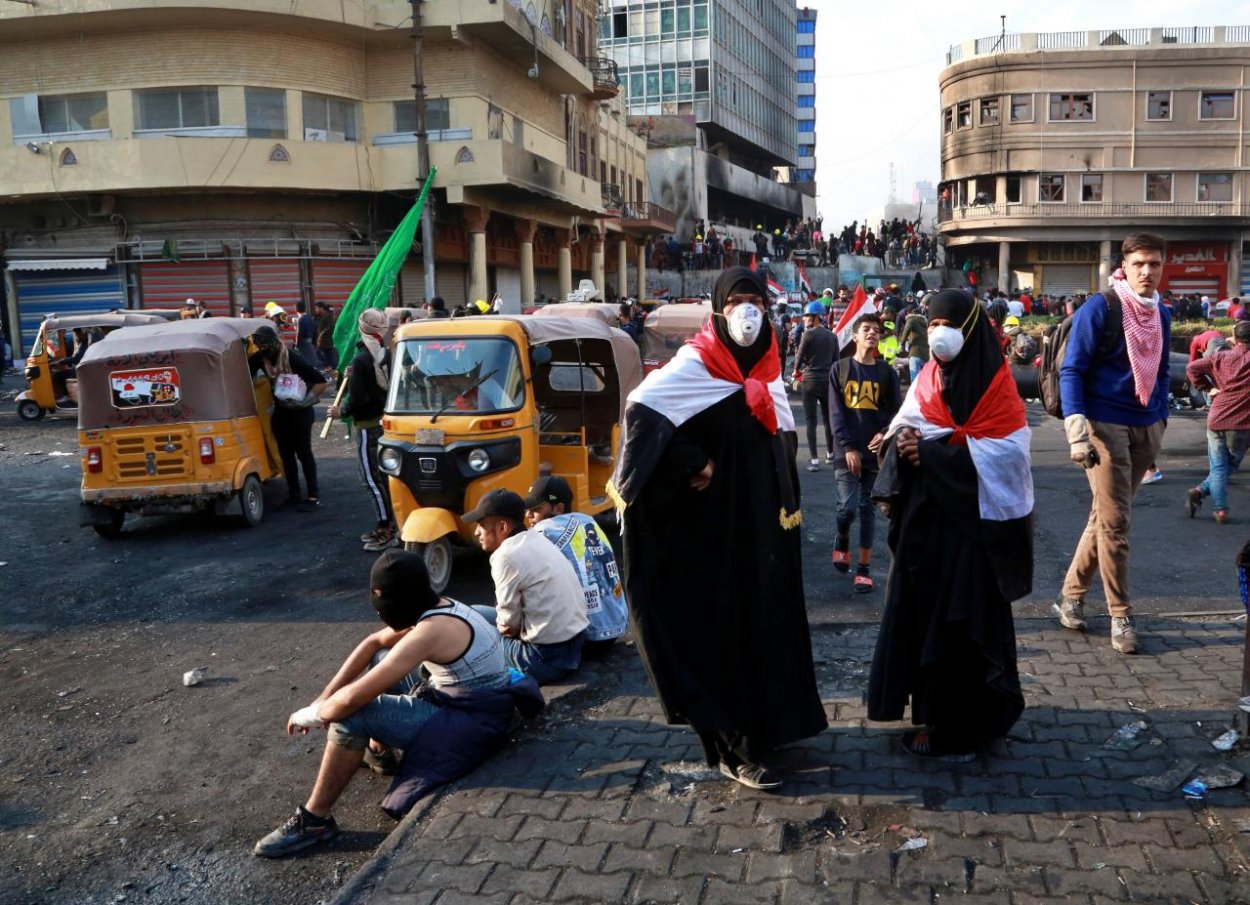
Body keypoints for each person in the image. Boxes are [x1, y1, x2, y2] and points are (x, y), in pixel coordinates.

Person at [608, 266, 827, 791]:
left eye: (756, 300)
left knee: (766, 625)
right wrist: (693, 462)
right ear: (718, 307)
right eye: (737, 300)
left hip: (765, 529)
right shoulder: (697, 363)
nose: (747, 310)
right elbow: (643, 412)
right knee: (723, 629)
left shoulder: (770, 362)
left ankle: (770, 727)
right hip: (713, 534)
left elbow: (779, 434)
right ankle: (734, 746)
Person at [253, 550, 541, 857]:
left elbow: (349, 701)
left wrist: (310, 714)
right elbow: (372, 643)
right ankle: (379, 752)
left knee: (351, 716)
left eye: (380, 596)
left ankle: (314, 822)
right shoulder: (439, 606)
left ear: (401, 597)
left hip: (472, 721)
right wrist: (324, 697)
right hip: (466, 698)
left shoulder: (431, 630)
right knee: (381, 660)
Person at [868, 288, 1032, 759]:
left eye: (948, 324)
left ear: (973, 327)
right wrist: (902, 439)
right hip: (928, 529)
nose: (939, 333)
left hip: (972, 536)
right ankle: (933, 717)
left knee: (962, 626)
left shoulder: (997, 387)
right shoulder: (928, 380)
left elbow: (1009, 457)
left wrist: (935, 453)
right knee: (924, 620)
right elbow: (906, 424)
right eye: (932, 323)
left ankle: (963, 727)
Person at [1057, 233, 1171, 654]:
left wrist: (1162, 415)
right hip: (1105, 426)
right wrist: (1076, 429)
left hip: (1147, 425)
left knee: (1104, 518)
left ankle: (1070, 596)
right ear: (1125, 265)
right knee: (1117, 524)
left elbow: (1159, 370)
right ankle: (1120, 615)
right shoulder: (1102, 307)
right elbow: (1073, 369)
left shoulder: (1163, 313)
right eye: (1140, 263)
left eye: (1155, 264)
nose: (1147, 271)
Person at [466, 489, 589, 685]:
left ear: (502, 527)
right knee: (472, 613)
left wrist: (497, 629)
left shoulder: (505, 555)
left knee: (467, 630)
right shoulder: (537, 538)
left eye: (481, 525)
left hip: (545, 660)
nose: (476, 532)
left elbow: (508, 626)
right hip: (575, 648)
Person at [828, 313, 900, 593]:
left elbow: (897, 412)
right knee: (846, 510)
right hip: (845, 453)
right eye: (866, 329)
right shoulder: (840, 369)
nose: (872, 333)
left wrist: (885, 432)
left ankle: (864, 569)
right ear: (855, 336)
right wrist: (848, 447)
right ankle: (842, 536)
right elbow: (835, 413)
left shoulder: (887, 373)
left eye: (876, 330)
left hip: (875, 455)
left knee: (867, 510)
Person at [523, 475, 628, 654]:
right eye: (527, 509)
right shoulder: (589, 521)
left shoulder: (544, 532)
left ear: (558, 508)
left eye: (536, 509)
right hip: (615, 628)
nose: (528, 515)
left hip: (584, 639)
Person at [330, 309, 397, 551]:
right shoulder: (385, 354)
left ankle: (385, 529)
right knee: (384, 478)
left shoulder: (361, 359)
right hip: (383, 425)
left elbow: (356, 398)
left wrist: (340, 412)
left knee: (371, 480)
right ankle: (390, 525)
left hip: (367, 428)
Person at [252, 325, 328, 512]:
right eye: (258, 344)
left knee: (303, 453)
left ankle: (313, 495)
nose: (262, 348)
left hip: (301, 412)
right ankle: (294, 494)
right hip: (280, 411)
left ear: (272, 342)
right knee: (286, 455)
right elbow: (245, 373)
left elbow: (320, 381)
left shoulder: (291, 357)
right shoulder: (260, 358)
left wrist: (305, 401)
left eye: (264, 344)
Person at [1186, 321, 1250, 523]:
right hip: (1243, 422)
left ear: (1234, 337)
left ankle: (1203, 494)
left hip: (1217, 417)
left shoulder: (1220, 356)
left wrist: (1208, 388)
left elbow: (1192, 366)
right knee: (1228, 465)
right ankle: (1216, 505)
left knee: (1219, 467)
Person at [791, 301, 839, 470]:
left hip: (810, 381)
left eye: (808, 316)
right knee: (828, 419)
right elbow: (836, 361)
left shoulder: (808, 335)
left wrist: (795, 370)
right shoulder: (832, 336)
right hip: (827, 381)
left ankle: (814, 460)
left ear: (817, 317)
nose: (805, 319)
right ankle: (830, 454)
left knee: (811, 421)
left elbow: (799, 355)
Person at [899, 305, 930, 382]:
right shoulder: (926, 323)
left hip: (915, 352)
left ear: (909, 313)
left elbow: (906, 331)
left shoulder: (911, 320)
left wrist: (902, 344)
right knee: (924, 379)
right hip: (926, 354)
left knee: (914, 380)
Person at [314, 302, 337, 371]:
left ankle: (331, 367)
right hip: (323, 340)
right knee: (328, 354)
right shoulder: (321, 316)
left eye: (317, 308)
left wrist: (321, 335)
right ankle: (331, 367)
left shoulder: (327, 315)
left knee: (319, 352)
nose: (316, 310)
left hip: (326, 340)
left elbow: (330, 326)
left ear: (321, 308)